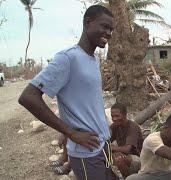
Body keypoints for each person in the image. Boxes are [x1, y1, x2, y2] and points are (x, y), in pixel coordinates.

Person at [18, 5, 114, 180]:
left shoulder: (94, 60)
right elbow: (28, 97)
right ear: (88, 23)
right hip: (86, 152)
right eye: (105, 26)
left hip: (102, 145)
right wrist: (70, 133)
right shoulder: (68, 58)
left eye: (111, 29)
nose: (109, 33)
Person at [110, 103, 143, 178]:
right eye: (112, 116)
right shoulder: (115, 126)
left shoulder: (132, 127)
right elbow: (106, 141)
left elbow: (127, 149)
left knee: (120, 160)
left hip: (139, 158)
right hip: (125, 154)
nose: (114, 119)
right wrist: (117, 150)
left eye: (117, 116)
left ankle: (128, 178)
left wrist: (112, 148)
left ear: (125, 114)